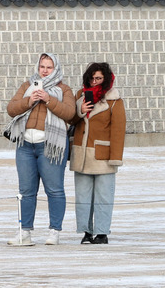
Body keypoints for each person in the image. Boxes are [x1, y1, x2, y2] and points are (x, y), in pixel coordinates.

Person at [6, 52, 76, 246]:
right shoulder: (27, 86)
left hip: (50, 145)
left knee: (54, 190)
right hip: (25, 145)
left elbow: (70, 113)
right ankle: (25, 232)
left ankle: (54, 231)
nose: (44, 71)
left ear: (56, 69)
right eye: (42, 66)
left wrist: (48, 99)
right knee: (26, 190)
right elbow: (11, 108)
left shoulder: (64, 89)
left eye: (49, 67)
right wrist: (29, 101)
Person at [69, 62, 126, 245]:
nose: (94, 82)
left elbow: (118, 130)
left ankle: (102, 232)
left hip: (104, 155)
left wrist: (115, 158)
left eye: (99, 78)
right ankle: (86, 231)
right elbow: (70, 119)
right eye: (92, 78)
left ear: (106, 78)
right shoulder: (80, 95)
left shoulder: (114, 100)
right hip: (82, 153)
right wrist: (80, 110)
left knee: (104, 196)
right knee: (83, 195)